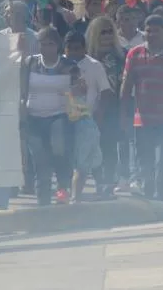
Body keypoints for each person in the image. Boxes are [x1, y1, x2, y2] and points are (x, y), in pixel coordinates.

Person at [121, 14, 163, 202]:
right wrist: (124, 116)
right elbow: (126, 87)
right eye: (148, 30)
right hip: (143, 120)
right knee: (145, 164)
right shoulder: (135, 53)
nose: (151, 34)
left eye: (156, 30)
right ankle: (150, 200)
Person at [21, 27, 79, 206]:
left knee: (59, 150)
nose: (46, 48)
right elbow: (22, 90)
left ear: (58, 45)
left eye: (50, 44)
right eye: (42, 44)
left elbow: (78, 92)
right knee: (40, 159)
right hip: (33, 117)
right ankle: (43, 201)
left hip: (59, 116)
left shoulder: (69, 66)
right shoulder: (30, 63)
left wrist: (78, 90)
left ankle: (63, 192)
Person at [64, 32, 112, 202]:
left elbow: (105, 92)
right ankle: (65, 195)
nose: (73, 52)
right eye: (70, 48)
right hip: (64, 121)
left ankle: (81, 195)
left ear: (84, 48)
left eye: (78, 48)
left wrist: (98, 116)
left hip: (86, 119)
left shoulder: (94, 66)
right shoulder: (61, 64)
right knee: (68, 159)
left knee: (88, 157)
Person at [85, 16, 125, 197]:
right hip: (90, 108)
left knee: (109, 146)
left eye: (110, 31)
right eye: (103, 32)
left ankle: (109, 183)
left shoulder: (121, 55)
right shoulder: (87, 57)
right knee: (94, 147)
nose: (108, 35)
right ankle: (98, 182)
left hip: (114, 108)